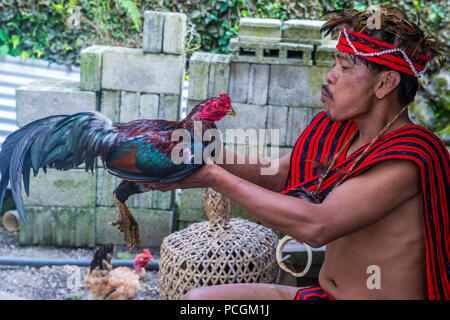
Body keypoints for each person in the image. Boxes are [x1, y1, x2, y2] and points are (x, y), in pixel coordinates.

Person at [149, 5, 449, 300]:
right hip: (323, 295)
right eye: (335, 64)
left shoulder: (410, 157)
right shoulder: (343, 133)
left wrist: (213, 177)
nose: (330, 76)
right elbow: (278, 174)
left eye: (344, 67)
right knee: (200, 301)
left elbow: (316, 226)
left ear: (385, 83)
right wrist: (202, 151)